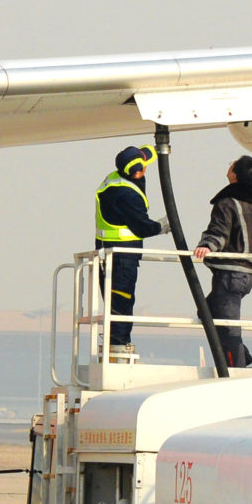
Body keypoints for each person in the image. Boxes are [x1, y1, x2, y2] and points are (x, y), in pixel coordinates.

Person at [192, 156, 252, 368]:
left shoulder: (227, 203)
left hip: (230, 275)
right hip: (247, 276)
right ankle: (243, 356)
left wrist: (207, 246)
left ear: (234, 174)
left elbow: (220, 232)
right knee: (206, 311)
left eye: (231, 164)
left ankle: (236, 369)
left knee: (228, 328)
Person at [95, 146, 163, 358]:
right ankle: (119, 344)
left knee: (115, 300)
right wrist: (161, 227)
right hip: (122, 256)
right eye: (143, 167)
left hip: (107, 252)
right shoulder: (126, 194)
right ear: (136, 172)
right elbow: (141, 226)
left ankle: (117, 340)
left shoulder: (114, 179)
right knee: (121, 300)